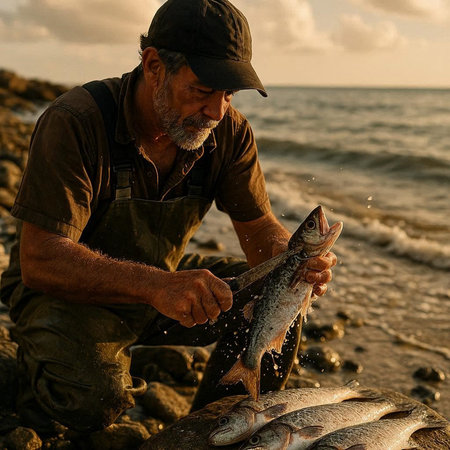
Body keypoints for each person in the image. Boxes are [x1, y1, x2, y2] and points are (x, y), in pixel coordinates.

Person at [0, 0, 335, 433]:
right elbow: (41, 259)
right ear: (153, 65)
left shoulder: (229, 132)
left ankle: (215, 427)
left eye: (229, 93)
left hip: (163, 288)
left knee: (277, 294)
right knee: (92, 404)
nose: (216, 111)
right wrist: (156, 284)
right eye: (202, 90)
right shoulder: (76, 122)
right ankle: (28, 375)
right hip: (63, 294)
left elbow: (259, 231)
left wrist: (295, 261)